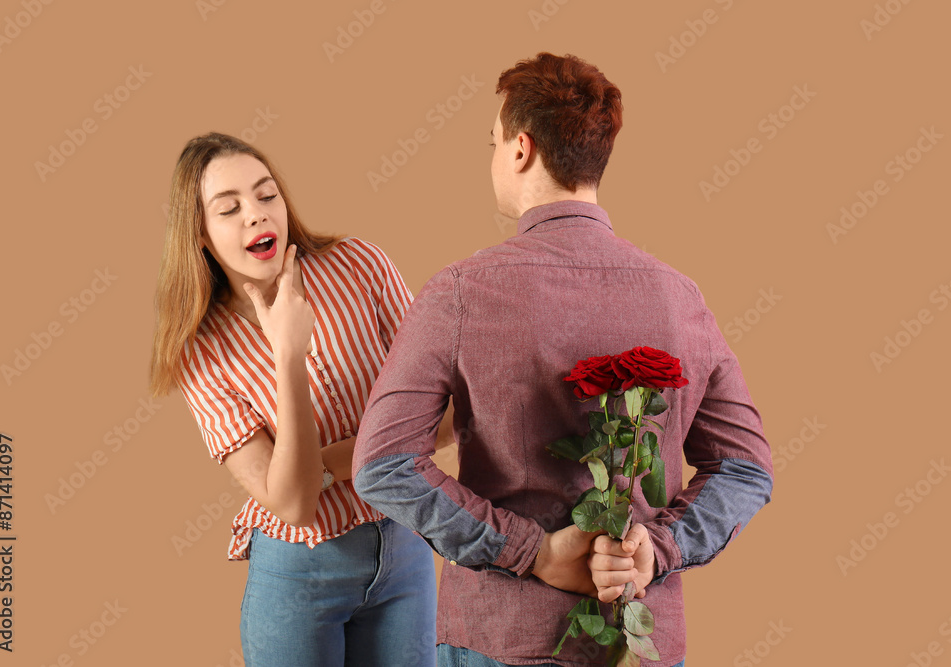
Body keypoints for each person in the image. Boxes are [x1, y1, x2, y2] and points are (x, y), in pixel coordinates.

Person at [352, 53, 774, 666]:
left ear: (521, 149)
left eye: (493, 141)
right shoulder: (678, 296)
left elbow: (384, 463)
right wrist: (656, 548)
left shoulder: (460, 292)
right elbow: (745, 468)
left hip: (502, 639)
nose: (494, 156)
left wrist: (534, 552)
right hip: (643, 644)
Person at [149, 132, 443, 667]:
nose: (256, 216)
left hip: (406, 548)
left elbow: (443, 415)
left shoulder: (361, 265)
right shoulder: (199, 352)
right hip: (299, 574)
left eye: (266, 195)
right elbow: (293, 504)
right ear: (200, 236)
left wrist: (326, 467)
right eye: (229, 208)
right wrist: (288, 354)